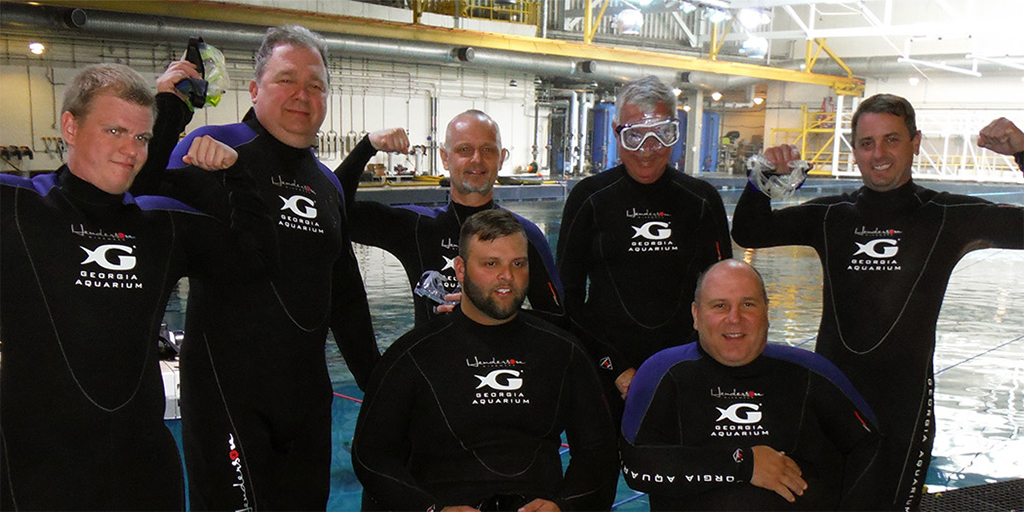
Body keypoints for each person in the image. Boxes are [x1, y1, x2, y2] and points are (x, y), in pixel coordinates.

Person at [0, 63, 274, 509]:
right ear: (70, 126)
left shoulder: (161, 224)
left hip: (143, 471)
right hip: (37, 476)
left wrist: (239, 177)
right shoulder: (18, 208)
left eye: (142, 137)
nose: (131, 150)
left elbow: (256, 263)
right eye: (114, 130)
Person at [732, 93, 1024, 510]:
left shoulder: (946, 216)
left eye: (891, 139)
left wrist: (1023, 152)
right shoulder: (833, 215)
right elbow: (752, 230)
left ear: (915, 142)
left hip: (902, 411)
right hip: (830, 405)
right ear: (855, 151)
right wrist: (763, 177)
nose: (879, 153)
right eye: (867, 143)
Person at [129, 25, 379, 510]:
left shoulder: (326, 184)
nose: (302, 96)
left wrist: (382, 384)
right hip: (228, 398)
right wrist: (168, 113)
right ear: (254, 89)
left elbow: (344, 294)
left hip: (306, 404)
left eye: (316, 85)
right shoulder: (214, 149)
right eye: (287, 80)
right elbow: (133, 199)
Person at [352, 209, 618, 512]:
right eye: (491, 264)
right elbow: (370, 454)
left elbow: (598, 452)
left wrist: (563, 505)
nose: (507, 276)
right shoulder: (414, 355)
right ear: (461, 270)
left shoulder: (563, 352)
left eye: (518, 263)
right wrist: (429, 509)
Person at [620, 259, 881, 510]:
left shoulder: (814, 374)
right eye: (720, 306)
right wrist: (744, 465)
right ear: (696, 315)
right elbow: (637, 467)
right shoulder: (660, 374)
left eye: (748, 304)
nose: (735, 318)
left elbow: (870, 448)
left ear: (767, 311)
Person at [557, 75, 732, 413]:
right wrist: (618, 370)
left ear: (674, 132)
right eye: (634, 136)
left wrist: (696, 364)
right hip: (607, 371)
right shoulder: (589, 198)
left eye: (660, 136)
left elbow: (724, 296)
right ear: (615, 132)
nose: (647, 151)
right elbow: (568, 301)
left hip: (685, 369)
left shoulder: (701, 200)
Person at [334, 111, 564, 326]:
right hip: (433, 366)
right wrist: (367, 146)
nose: (477, 159)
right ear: (445, 157)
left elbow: (558, 319)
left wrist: (493, 309)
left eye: (488, 150)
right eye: (464, 150)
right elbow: (333, 212)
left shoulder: (525, 235)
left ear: (501, 158)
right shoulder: (418, 227)